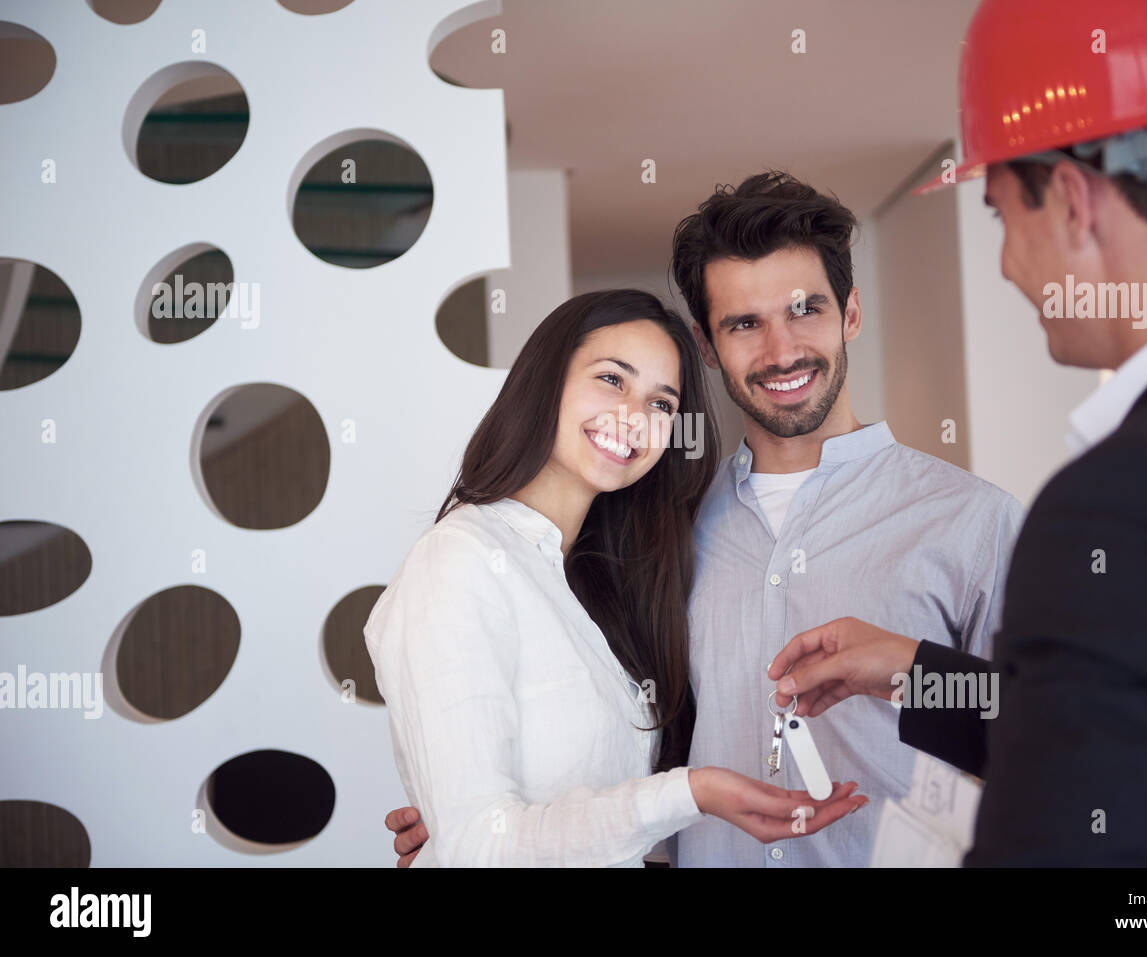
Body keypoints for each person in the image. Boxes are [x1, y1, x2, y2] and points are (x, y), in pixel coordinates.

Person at [768, 0, 1147, 865]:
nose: (1011, 263)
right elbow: (1143, 723)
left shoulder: (1134, 500)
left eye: (1001, 216)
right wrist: (915, 666)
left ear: (1075, 200)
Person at [388, 175, 1025, 866]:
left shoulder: (972, 520)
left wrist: (911, 670)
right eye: (745, 323)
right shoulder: (661, 533)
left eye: (805, 310)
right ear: (708, 343)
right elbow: (632, 753)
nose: (781, 351)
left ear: (851, 313)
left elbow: (1055, 736)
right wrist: (482, 823)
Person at [364, 288, 867, 867]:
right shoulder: (459, 561)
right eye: (611, 379)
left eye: (661, 404)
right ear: (546, 378)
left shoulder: (599, 584)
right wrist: (691, 792)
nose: (634, 418)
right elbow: (481, 847)